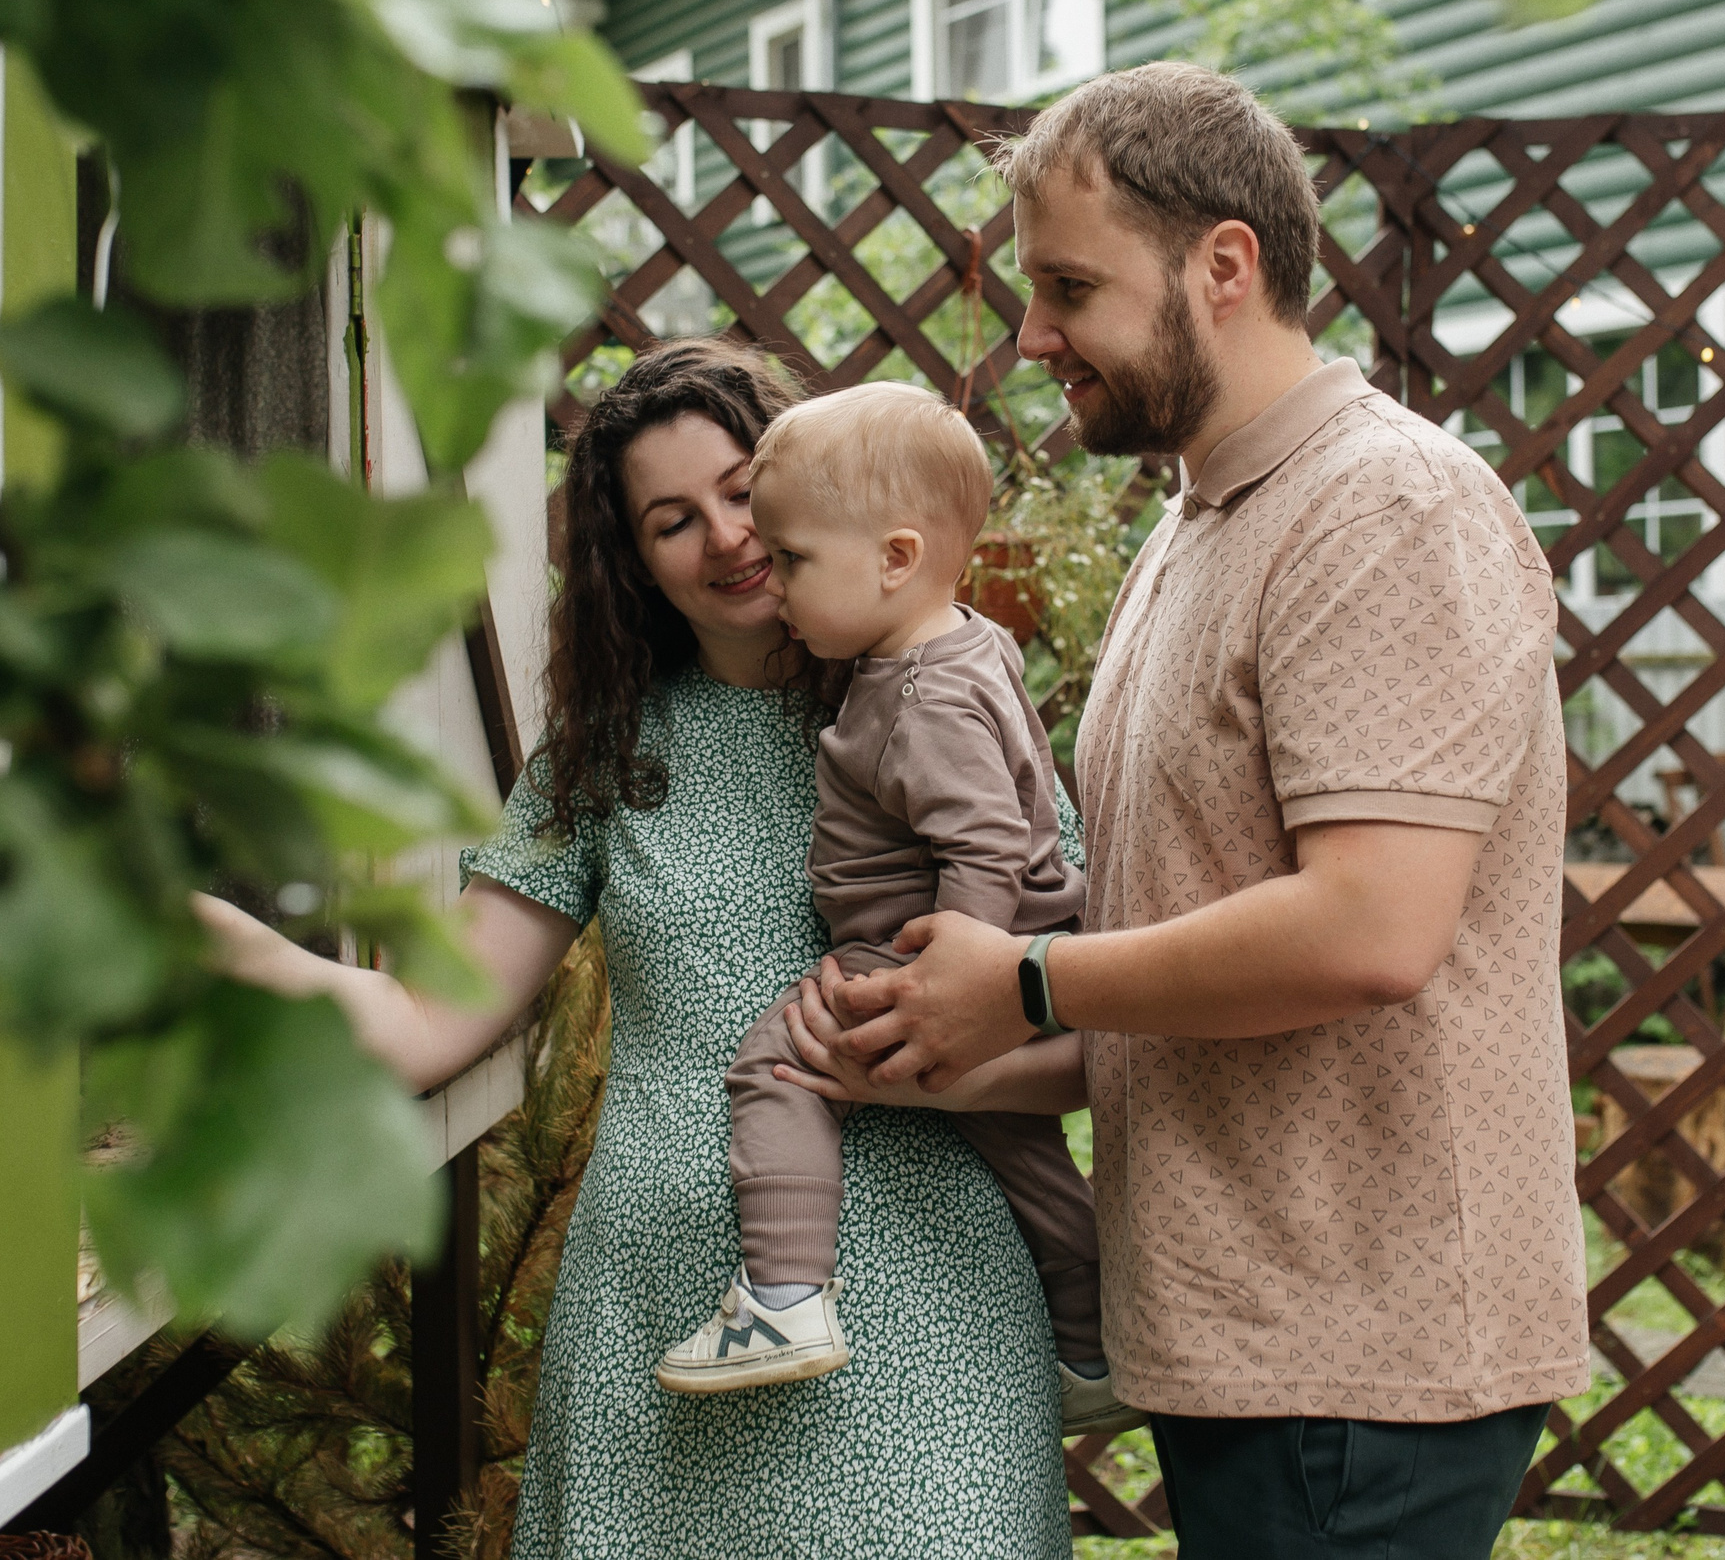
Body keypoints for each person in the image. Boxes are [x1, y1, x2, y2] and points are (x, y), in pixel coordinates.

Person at [780, 62, 1585, 1559]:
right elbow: (1186, 969)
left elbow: (1369, 929)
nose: (1031, 336)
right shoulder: (1205, 515)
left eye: (1068, 286)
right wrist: (946, 1054)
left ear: (1225, 264)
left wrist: (1017, 978)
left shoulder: (1384, 507)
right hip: (1256, 1332)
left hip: (1363, 1345)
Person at [195, 339, 1071, 1558]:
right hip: (660, 1340)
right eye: (672, 520)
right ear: (633, 565)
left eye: (739, 487)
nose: (725, 537)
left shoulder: (944, 701)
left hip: (926, 1329)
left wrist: (908, 1066)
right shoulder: (607, 756)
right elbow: (420, 1023)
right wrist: (213, 944)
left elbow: (1079, 1032)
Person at [655, 382, 1132, 1437]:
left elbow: (985, 844)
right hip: (1005, 951)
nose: (770, 581)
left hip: (925, 952)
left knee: (778, 1066)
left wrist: (949, 989)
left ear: (895, 559)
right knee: (1026, 1157)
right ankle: (1096, 1346)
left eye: (791, 561)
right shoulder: (964, 645)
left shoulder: (917, 698)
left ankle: (781, 1300)